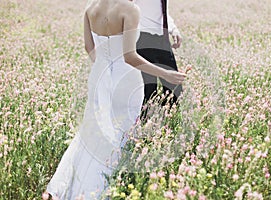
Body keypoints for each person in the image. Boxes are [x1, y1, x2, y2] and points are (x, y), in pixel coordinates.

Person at [44, 0, 185, 199]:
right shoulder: (130, 9)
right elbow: (130, 57)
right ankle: (100, 188)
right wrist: (166, 74)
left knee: (92, 130)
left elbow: (88, 47)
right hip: (126, 80)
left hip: (99, 76)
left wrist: (104, 67)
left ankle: (70, 186)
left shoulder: (90, 8)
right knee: (119, 132)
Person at [134, 0, 183, 118]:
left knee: (174, 87)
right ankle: (142, 129)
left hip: (162, 39)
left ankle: (166, 125)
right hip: (142, 39)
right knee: (148, 89)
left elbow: (162, 12)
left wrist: (173, 29)